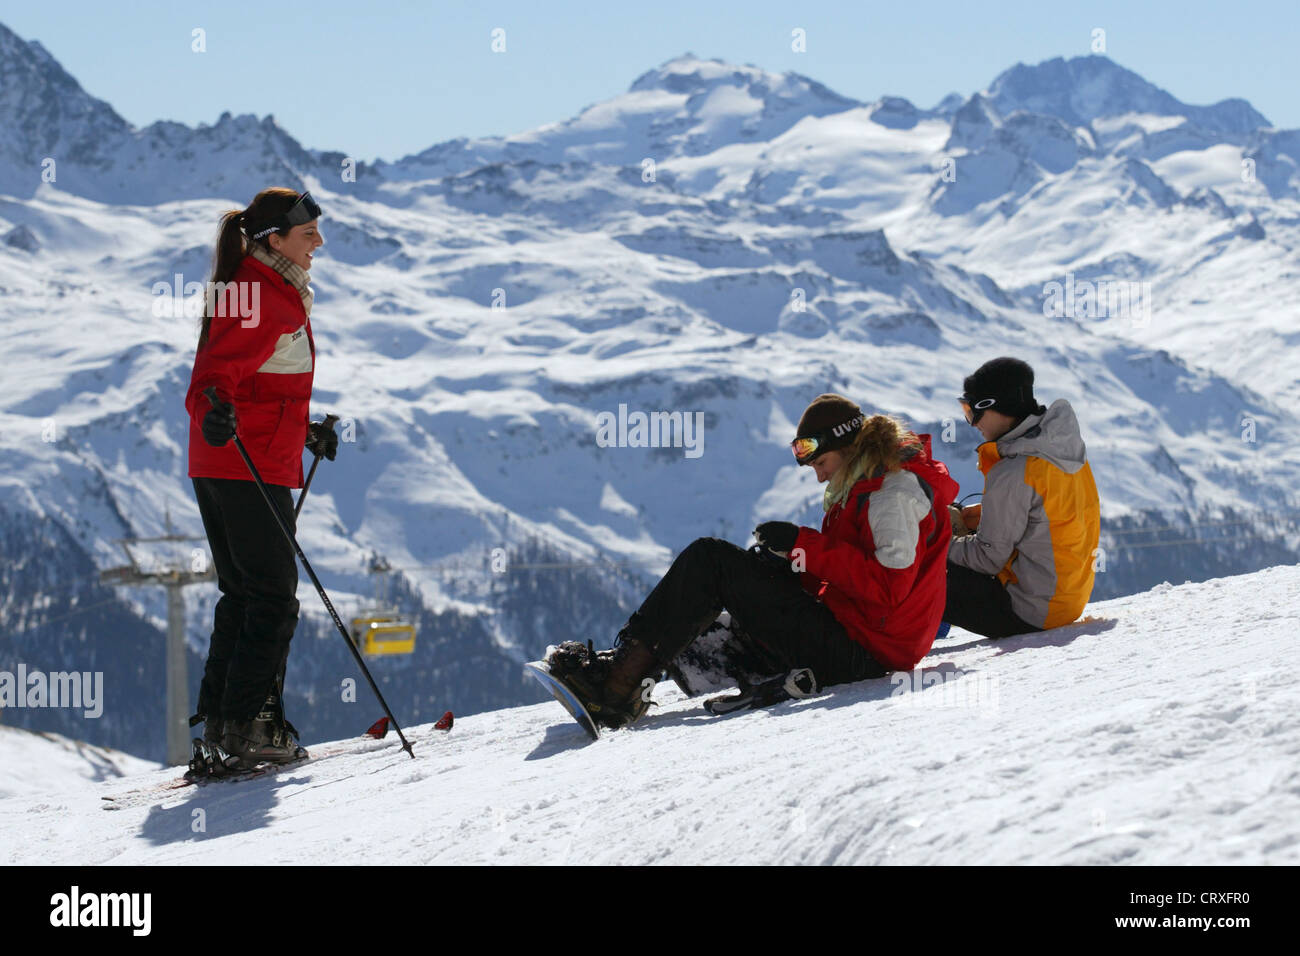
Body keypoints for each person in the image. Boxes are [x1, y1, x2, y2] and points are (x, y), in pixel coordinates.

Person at [547, 394, 958, 729]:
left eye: (821, 463)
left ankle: (616, 689)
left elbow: (887, 590)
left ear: (847, 446)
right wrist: (792, 563)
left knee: (712, 559)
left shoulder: (892, 496)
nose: (819, 478)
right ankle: (632, 670)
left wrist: (804, 546)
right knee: (741, 569)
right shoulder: (867, 485)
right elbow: (854, 575)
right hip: (859, 635)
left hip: (866, 653)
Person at [183, 187, 338, 768]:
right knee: (272, 598)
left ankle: (225, 726)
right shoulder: (259, 293)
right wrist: (216, 412)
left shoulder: (267, 290)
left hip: (231, 458)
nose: (318, 242)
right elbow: (213, 378)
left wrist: (304, 432)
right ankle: (249, 729)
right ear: (275, 239)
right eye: (308, 234)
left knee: (246, 595)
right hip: (242, 462)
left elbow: (258, 383)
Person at [944, 357, 1100, 638]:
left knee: (921, 567)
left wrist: (938, 541)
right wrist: (979, 516)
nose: (973, 424)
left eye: (973, 412)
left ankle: (896, 647)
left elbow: (985, 559)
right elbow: (1047, 515)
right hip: (1066, 600)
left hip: (1029, 612)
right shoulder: (1062, 449)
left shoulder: (1014, 470)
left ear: (997, 405)